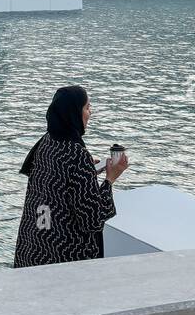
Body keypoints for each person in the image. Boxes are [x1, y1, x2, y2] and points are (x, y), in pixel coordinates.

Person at [13, 85, 129, 268]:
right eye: (87, 107)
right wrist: (110, 178)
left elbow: (57, 180)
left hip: (34, 247)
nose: (90, 112)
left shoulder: (46, 141)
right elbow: (92, 219)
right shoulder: (77, 154)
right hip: (63, 258)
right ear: (75, 112)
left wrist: (88, 171)